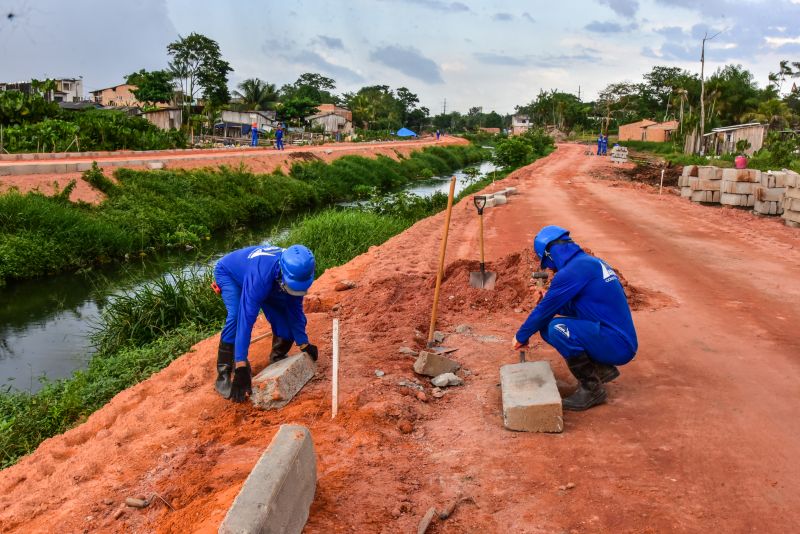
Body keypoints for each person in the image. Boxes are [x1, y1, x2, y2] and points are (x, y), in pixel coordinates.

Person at [512, 226, 638, 411]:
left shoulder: (572, 271)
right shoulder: (588, 263)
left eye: (546, 261)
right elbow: (583, 308)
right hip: (616, 336)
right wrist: (550, 296)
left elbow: (544, 311)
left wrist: (521, 337)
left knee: (556, 328)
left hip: (618, 344)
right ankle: (601, 369)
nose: (547, 266)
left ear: (551, 253)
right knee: (548, 326)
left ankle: (592, 389)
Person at [212, 244, 318, 402]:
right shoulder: (260, 277)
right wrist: (240, 365)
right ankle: (224, 375)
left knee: (284, 319)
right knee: (236, 316)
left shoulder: (296, 269)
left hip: (268, 277)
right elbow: (245, 319)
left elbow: (294, 309)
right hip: (230, 273)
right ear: (284, 273)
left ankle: (277, 356)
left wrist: (303, 343)